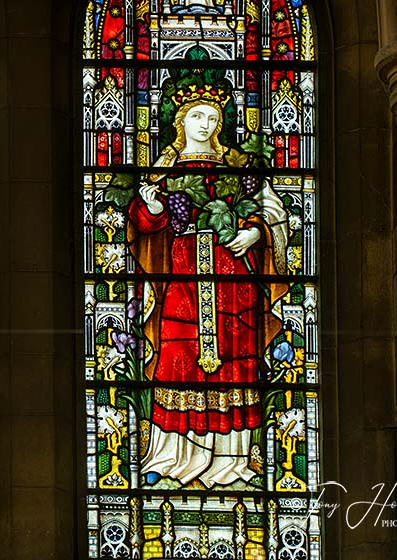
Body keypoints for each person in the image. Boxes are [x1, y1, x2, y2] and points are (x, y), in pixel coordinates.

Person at [129, 83, 288, 488]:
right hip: (182, 276)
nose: (206, 124)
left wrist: (256, 234)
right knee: (179, 356)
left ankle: (232, 462)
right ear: (181, 121)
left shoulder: (236, 165)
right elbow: (147, 225)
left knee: (236, 358)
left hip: (233, 276)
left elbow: (265, 208)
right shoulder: (165, 167)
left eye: (213, 118)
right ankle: (171, 459)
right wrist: (153, 208)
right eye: (197, 116)